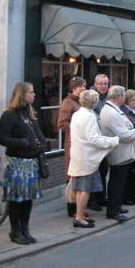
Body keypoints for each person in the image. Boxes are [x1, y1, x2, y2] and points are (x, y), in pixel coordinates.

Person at [0, 82, 43, 244]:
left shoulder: (29, 113)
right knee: (17, 198)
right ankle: (15, 230)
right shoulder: (10, 114)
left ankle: (25, 228)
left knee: (28, 198)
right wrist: (23, 143)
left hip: (32, 162)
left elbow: (37, 133)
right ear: (21, 95)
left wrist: (40, 139)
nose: (34, 95)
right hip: (18, 162)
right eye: (31, 92)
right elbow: (2, 138)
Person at [68, 90, 119, 228]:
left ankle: (79, 215)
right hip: (87, 159)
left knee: (79, 189)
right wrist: (112, 141)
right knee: (85, 189)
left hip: (79, 156)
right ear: (94, 101)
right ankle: (79, 217)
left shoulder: (77, 114)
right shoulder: (89, 116)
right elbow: (94, 139)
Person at [100, 86, 135, 222]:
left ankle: (116, 206)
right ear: (119, 97)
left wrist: (131, 131)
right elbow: (124, 134)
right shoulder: (112, 113)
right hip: (119, 152)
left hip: (122, 152)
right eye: (123, 96)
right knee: (117, 182)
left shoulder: (114, 110)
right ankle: (113, 210)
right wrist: (134, 132)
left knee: (119, 181)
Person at [57, 76, 86, 217]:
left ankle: (78, 207)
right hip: (72, 144)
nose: (84, 89)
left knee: (79, 174)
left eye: (85, 87)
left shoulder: (79, 102)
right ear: (74, 87)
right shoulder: (68, 102)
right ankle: (72, 208)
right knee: (72, 175)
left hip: (80, 144)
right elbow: (61, 122)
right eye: (81, 87)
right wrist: (76, 131)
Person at [88, 74, 109, 212]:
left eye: (105, 84)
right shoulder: (90, 98)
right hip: (94, 142)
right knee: (94, 172)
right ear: (95, 84)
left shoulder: (108, 97)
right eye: (100, 84)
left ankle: (102, 196)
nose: (103, 87)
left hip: (105, 140)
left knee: (103, 170)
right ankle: (92, 199)